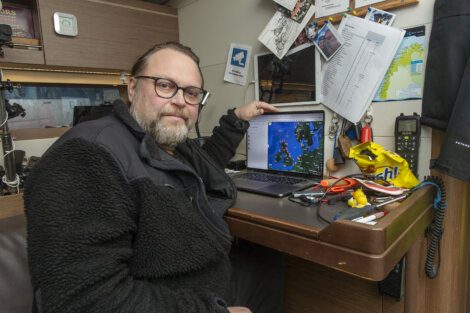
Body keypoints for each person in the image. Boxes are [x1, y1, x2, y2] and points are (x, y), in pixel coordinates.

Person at [24, 42, 282, 313]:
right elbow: (82, 300)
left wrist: (237, 120)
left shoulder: (168, 144)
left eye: (191, 92)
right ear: (132, 88)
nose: (181, 100)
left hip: (199, 276)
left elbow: (206, 163)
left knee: (266, 262)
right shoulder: (85, 155)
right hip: (177, 299)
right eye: (165, 85)